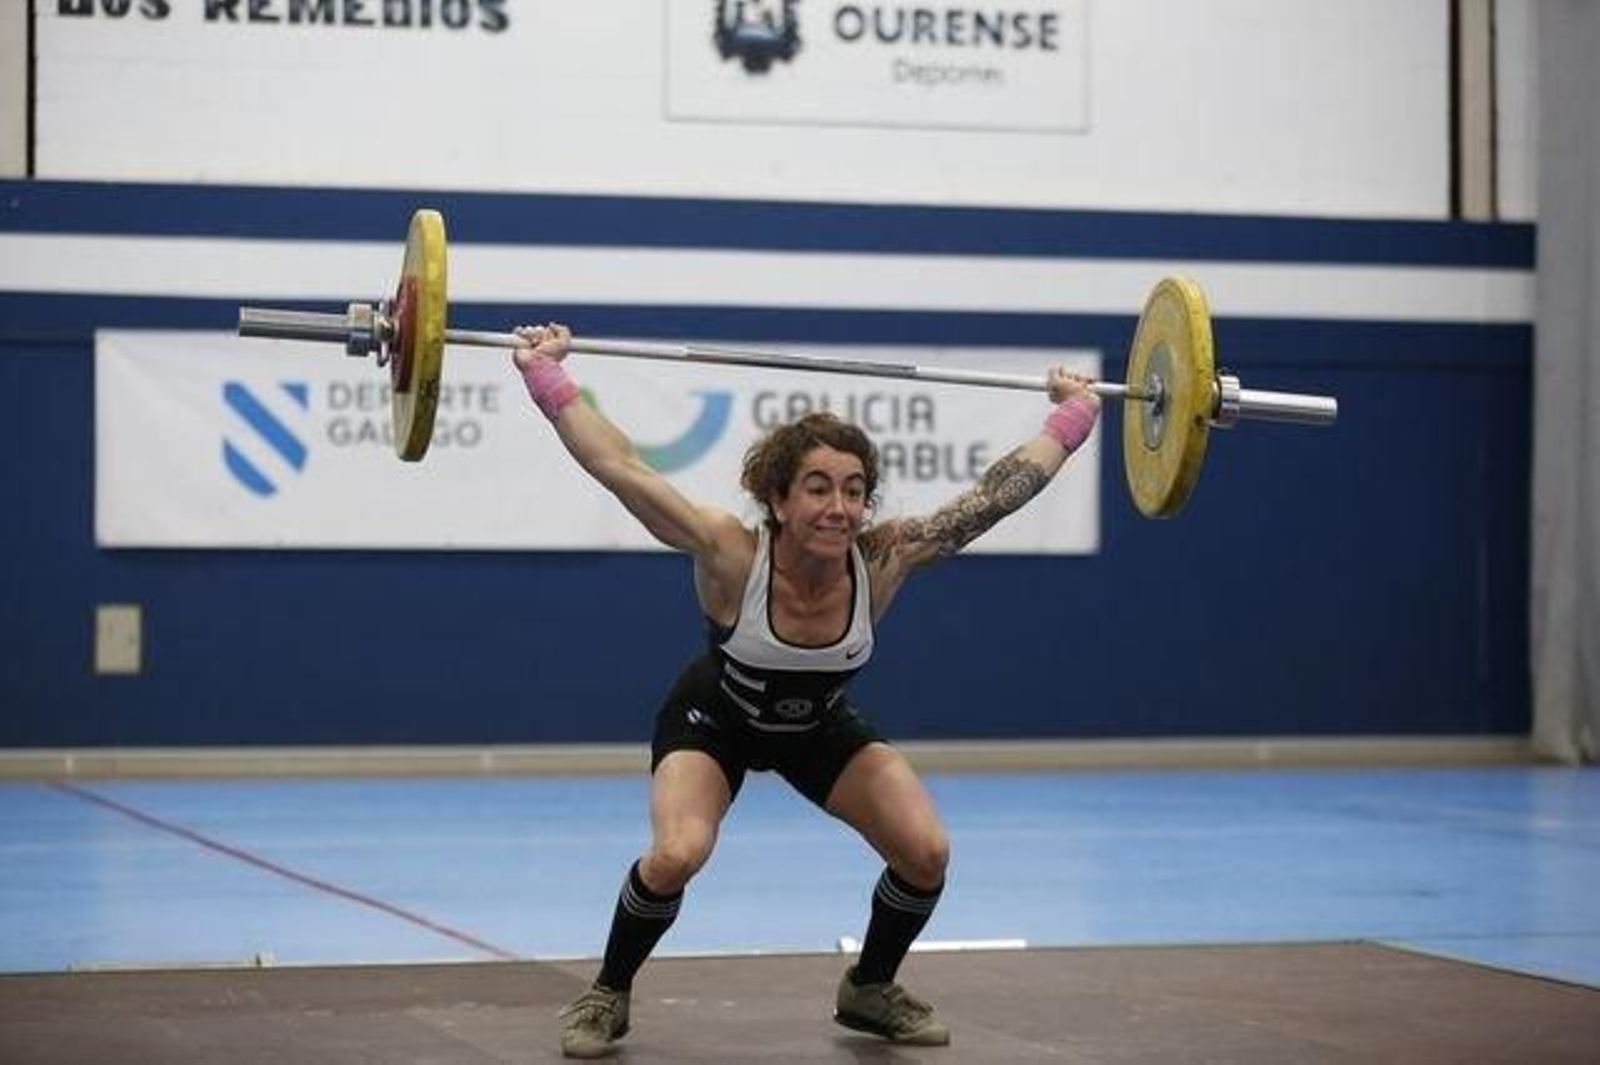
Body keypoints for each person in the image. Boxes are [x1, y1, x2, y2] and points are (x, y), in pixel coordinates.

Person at [511, 323, 1100, 1058]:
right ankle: (608, 991)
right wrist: (546, 375)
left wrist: (1072, 418)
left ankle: (870, 986)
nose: (839, 507)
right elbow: (621, 466)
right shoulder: (729, 551)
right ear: (779, 498)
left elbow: (993, 498)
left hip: (819, 726)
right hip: (715, 719)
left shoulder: (884, 558)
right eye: (818, 487)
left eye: (855, 491)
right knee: (677, 853)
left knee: (926, 850)